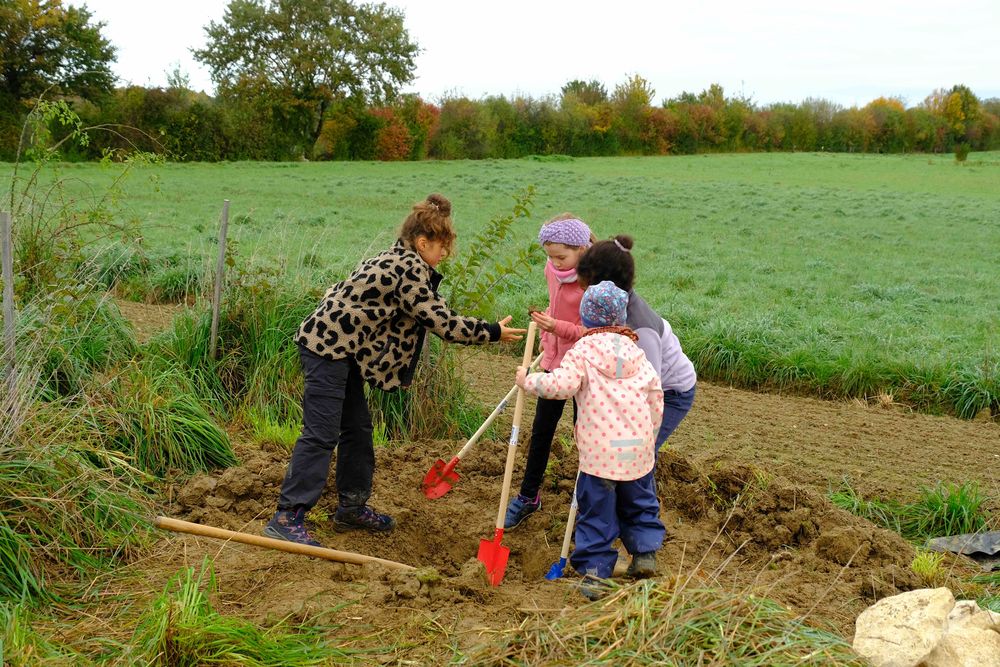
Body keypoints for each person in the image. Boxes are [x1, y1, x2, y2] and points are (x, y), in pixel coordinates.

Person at [265, 194, 526, 546]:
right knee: (321, 433)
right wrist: (492, 332)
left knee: (356, 429)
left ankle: (351, 508)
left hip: (344, 353)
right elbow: (441, 322)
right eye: (441, 248)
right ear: (423, 243)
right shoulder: (408, 271)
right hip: (327, 350)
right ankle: (287, 516)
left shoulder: (394, 257)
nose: (444, 256)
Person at [516, 281, 665, 598]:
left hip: (600, 453)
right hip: (637, 450)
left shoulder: (582, 351)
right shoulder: (637, 352)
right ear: (621, 318)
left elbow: (561, 385)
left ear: (586, 319)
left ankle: (596, 574)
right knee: (640, 503)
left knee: (597, 512)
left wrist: (529, 381)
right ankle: (645, 555)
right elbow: (655, 396)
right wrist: (649, 435)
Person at [504, 213, 595, 530]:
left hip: (585, 368)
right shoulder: (551, 269)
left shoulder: (594, 282)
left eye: (561, 256)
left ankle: (587, 505)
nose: (554, 263)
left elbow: (595, 333)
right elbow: (555, 307)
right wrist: (548, 334)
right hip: (555, 362)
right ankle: (529, 496)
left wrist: (558, 326)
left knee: (584, 436)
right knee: (541, 430)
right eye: (549, 256)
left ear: (582, 249)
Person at [576, 235, 696, 452]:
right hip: (637, 386)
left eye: (587, 289)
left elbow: (650, 386)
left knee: (637, 452)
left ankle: (642, 482)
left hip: (669, 392)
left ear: (606, 286)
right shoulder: (609, 307)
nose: (585, 296)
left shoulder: (641, 329)